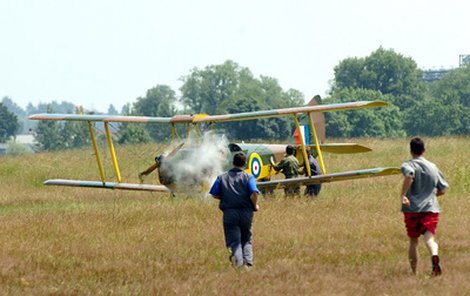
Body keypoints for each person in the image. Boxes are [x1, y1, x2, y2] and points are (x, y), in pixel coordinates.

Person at [400, 137, 448, 276]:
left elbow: (409, 176)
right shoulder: (433, 167)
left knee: (413, 241)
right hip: (431, 208)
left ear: (410, 150)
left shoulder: (407, 165)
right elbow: (442, 190)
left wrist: (403, 195)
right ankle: (434, 254)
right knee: (430, 239)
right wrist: (430, 196)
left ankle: (413, 272)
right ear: (424, 150)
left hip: (412, 209)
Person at [210, 152, 260, 268]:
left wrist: (226, 196)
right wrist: (255, 205)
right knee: (246, 239)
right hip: (246, 213)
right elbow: (254, 192)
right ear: (245, 164)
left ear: (233, 163)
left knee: (234, 241)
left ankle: (238, 265)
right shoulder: (249, 177)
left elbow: (214, 194)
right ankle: (248, 264)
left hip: (229, 213)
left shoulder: (222, 177)